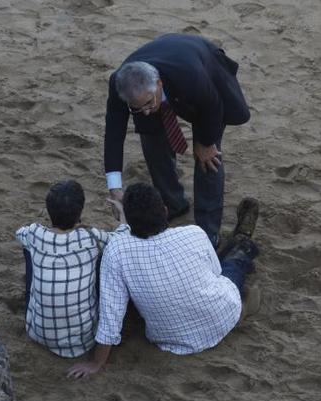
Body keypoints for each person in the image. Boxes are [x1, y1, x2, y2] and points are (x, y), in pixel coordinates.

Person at [67, 183, 260, 378]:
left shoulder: (117, 251)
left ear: (129, 222)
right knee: (231, 265)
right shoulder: (193, 233)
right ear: (165, 211)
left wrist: (97, 363)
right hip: (223, 314)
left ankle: (242, 252)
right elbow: (215, 273)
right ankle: (243, 241)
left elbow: (111, 315)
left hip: (172, 340)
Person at [103, 33, 251, 248]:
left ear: (159, 84)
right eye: (136, 108)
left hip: (203, 76)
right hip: (170, 72)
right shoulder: (120, 85)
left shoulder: (191, 76)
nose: (144, 112)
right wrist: (114, 187)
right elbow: (114, 135)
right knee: (152, 143)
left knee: (209, 158)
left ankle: (207, 231)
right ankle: (173, 204)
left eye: (148, 103)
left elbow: (214, 105)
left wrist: (205, 142)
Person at [16, 179, 130, 358]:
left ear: (48, 210)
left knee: (28, 247)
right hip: (82, 341)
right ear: (79, 213)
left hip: (37, 332)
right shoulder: (91, 237)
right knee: (104, 253)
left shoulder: (34, 233)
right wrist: (123, 214)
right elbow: (122, 237)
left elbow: (19, 233)